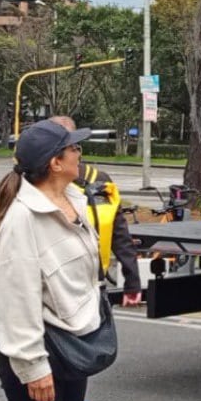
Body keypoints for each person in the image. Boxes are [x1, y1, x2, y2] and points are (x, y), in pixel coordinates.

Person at [0, 119, 110, 401]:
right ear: (55, 163)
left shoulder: (75, 201)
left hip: (72, 344)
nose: (79, 153)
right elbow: (16, 301)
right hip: (40, 354)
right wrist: (34, 368)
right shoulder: (23, 220)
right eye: (73, 148)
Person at [48, 116, 142, 306]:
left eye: (76, 146)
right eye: (70, 147)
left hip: (95, 288)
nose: (76, 152)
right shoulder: (39, 185)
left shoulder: (99, 181)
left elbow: (120, 234)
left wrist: (132, 281)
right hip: (53, 291)